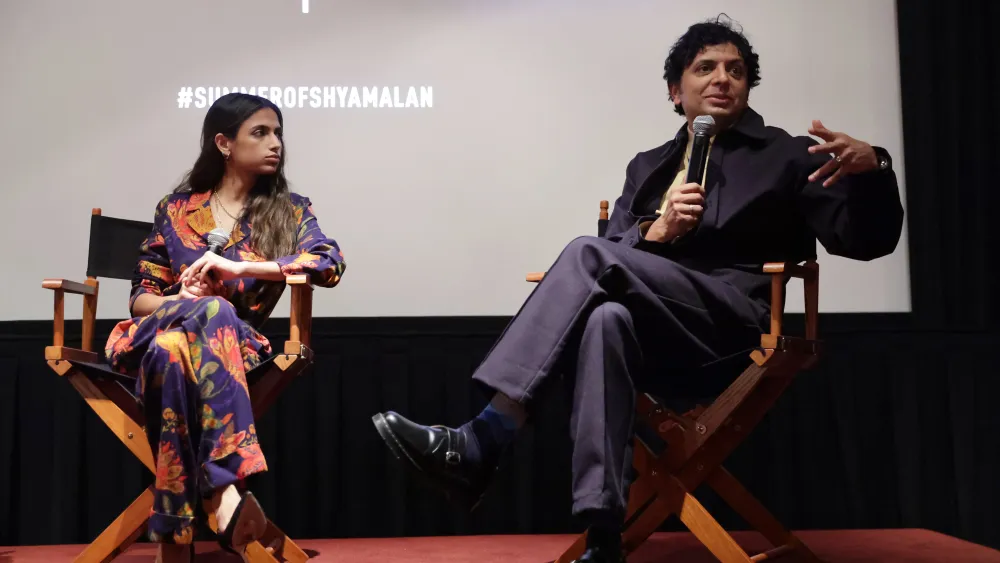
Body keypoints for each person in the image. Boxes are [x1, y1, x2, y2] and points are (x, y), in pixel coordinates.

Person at [370, 15, 903, 563]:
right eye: (705, 68)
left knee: (588, 254)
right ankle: (604, 537)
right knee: (605, 322)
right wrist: (656, 231)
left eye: (736, 70)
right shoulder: (648, 168)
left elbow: (866, 242)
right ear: (676, 91)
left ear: (747, 86)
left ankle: (486, 437)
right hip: (659, 342)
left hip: (735, 330)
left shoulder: (788, 156)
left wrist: (875, 169)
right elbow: (616, 258)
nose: (723, 78)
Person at [104, 92, 346, 563]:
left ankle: (174, 532)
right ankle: (224, 490)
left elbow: (329, 263)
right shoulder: (176, 209)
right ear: (224, 143)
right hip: (153, 330)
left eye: (278, 133)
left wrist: (240, 269)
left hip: (234, 348)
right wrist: (181, 300)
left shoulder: (290, 210)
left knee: (176, 347)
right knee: (202, 314)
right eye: (261, 132)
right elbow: (141, 298)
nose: (275, 143)